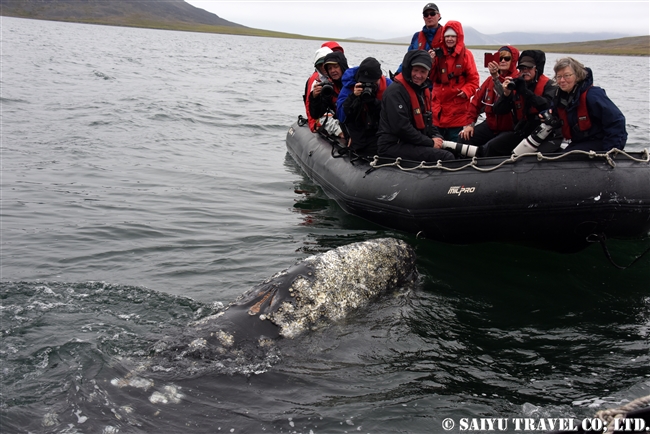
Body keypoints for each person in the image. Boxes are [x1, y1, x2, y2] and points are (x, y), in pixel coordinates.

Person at [377, 50, 455, 162]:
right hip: (392, 146)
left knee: (451, 152)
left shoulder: (422, 91)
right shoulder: (395, 92)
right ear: (409, 70)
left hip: (411, 142)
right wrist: (430, 142)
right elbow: (401, 128)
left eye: (423, 72)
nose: (418, 75)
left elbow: (428, 121)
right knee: (446, 157)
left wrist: (437, 137)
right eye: (416, 70)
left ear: (428, 72)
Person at [487, 49, 562, 156]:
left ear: (537, 69)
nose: (525, 71)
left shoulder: (550, 86)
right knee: (492, 146)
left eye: (529, 68)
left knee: (534, 157)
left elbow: (546, 105)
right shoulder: (516, 83)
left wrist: (525, 92)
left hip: (547, 135)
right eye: (522, 68)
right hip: (524, 131)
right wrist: (506, 94)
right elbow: (499, 110)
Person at [551, 57, 627, 152]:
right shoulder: (562, 97)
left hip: (600, 142)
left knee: (563, 160)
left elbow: (616, 121)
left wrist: (611, 151)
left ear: (578, 76)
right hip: (579, 142)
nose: (562, 80)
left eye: (567, 75)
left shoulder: (593, 95)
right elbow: (554, 112)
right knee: (558, 157)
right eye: (559, 76)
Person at [455, 46, 520, 156]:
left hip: (509, 129)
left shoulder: (518, 80)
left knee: (489, 148)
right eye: (500, 58)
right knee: (463, 138)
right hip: (491, 125)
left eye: (507, 58)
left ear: (513, 60)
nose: (503, 61)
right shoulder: (489, 80)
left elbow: (505, 99)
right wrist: (469, 124)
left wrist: (496, 77)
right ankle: (461, 168)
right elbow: (475, 102)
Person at [429, 21, 479, 142]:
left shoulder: (467, 55)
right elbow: (430, 77)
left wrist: (465, 91)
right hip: (438, 110)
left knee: (455, 145)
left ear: (458, 37)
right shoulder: (437, 54)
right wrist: (430, 61)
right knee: (436, 144)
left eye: (453, 36)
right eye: (447, 36)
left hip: (457, 112)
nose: (450, 39)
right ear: (443, 37)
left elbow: (474, 80)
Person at [336, 57, 392, 157]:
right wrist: (353, 97)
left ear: (380, 78)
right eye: (365, 82)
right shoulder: (350, 86)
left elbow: (394, 115)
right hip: (359, 134)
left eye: (372, 83)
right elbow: (341, 116)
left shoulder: (389, 86)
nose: (368, 85)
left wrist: (374, 103)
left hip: (381, 132)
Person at [308, 51, 349, 139]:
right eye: (329, 68)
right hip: (343, 125)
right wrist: (315, 98)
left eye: (336, 67)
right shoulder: (329, 87)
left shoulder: (353, 83)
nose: (333, 71)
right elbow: (317, 115)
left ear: (342, 66)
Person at [303, 46, 333, 132]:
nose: (324, 67)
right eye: (320, 65)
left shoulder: (343, 77)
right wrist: (313, 124)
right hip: (326, 116)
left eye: (326, 64)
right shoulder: (316, 82)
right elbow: (309, 104)